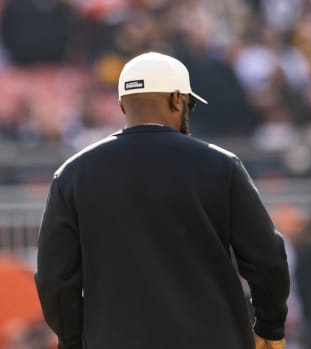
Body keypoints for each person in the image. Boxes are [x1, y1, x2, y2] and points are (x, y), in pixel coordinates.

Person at [34, 52, 289, 349]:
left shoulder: (72, 175)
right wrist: (270, 327)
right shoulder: (221, 165)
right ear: (176, 100)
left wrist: (75, 340)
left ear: (121, 105)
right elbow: (267, 259)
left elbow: (55, 279)